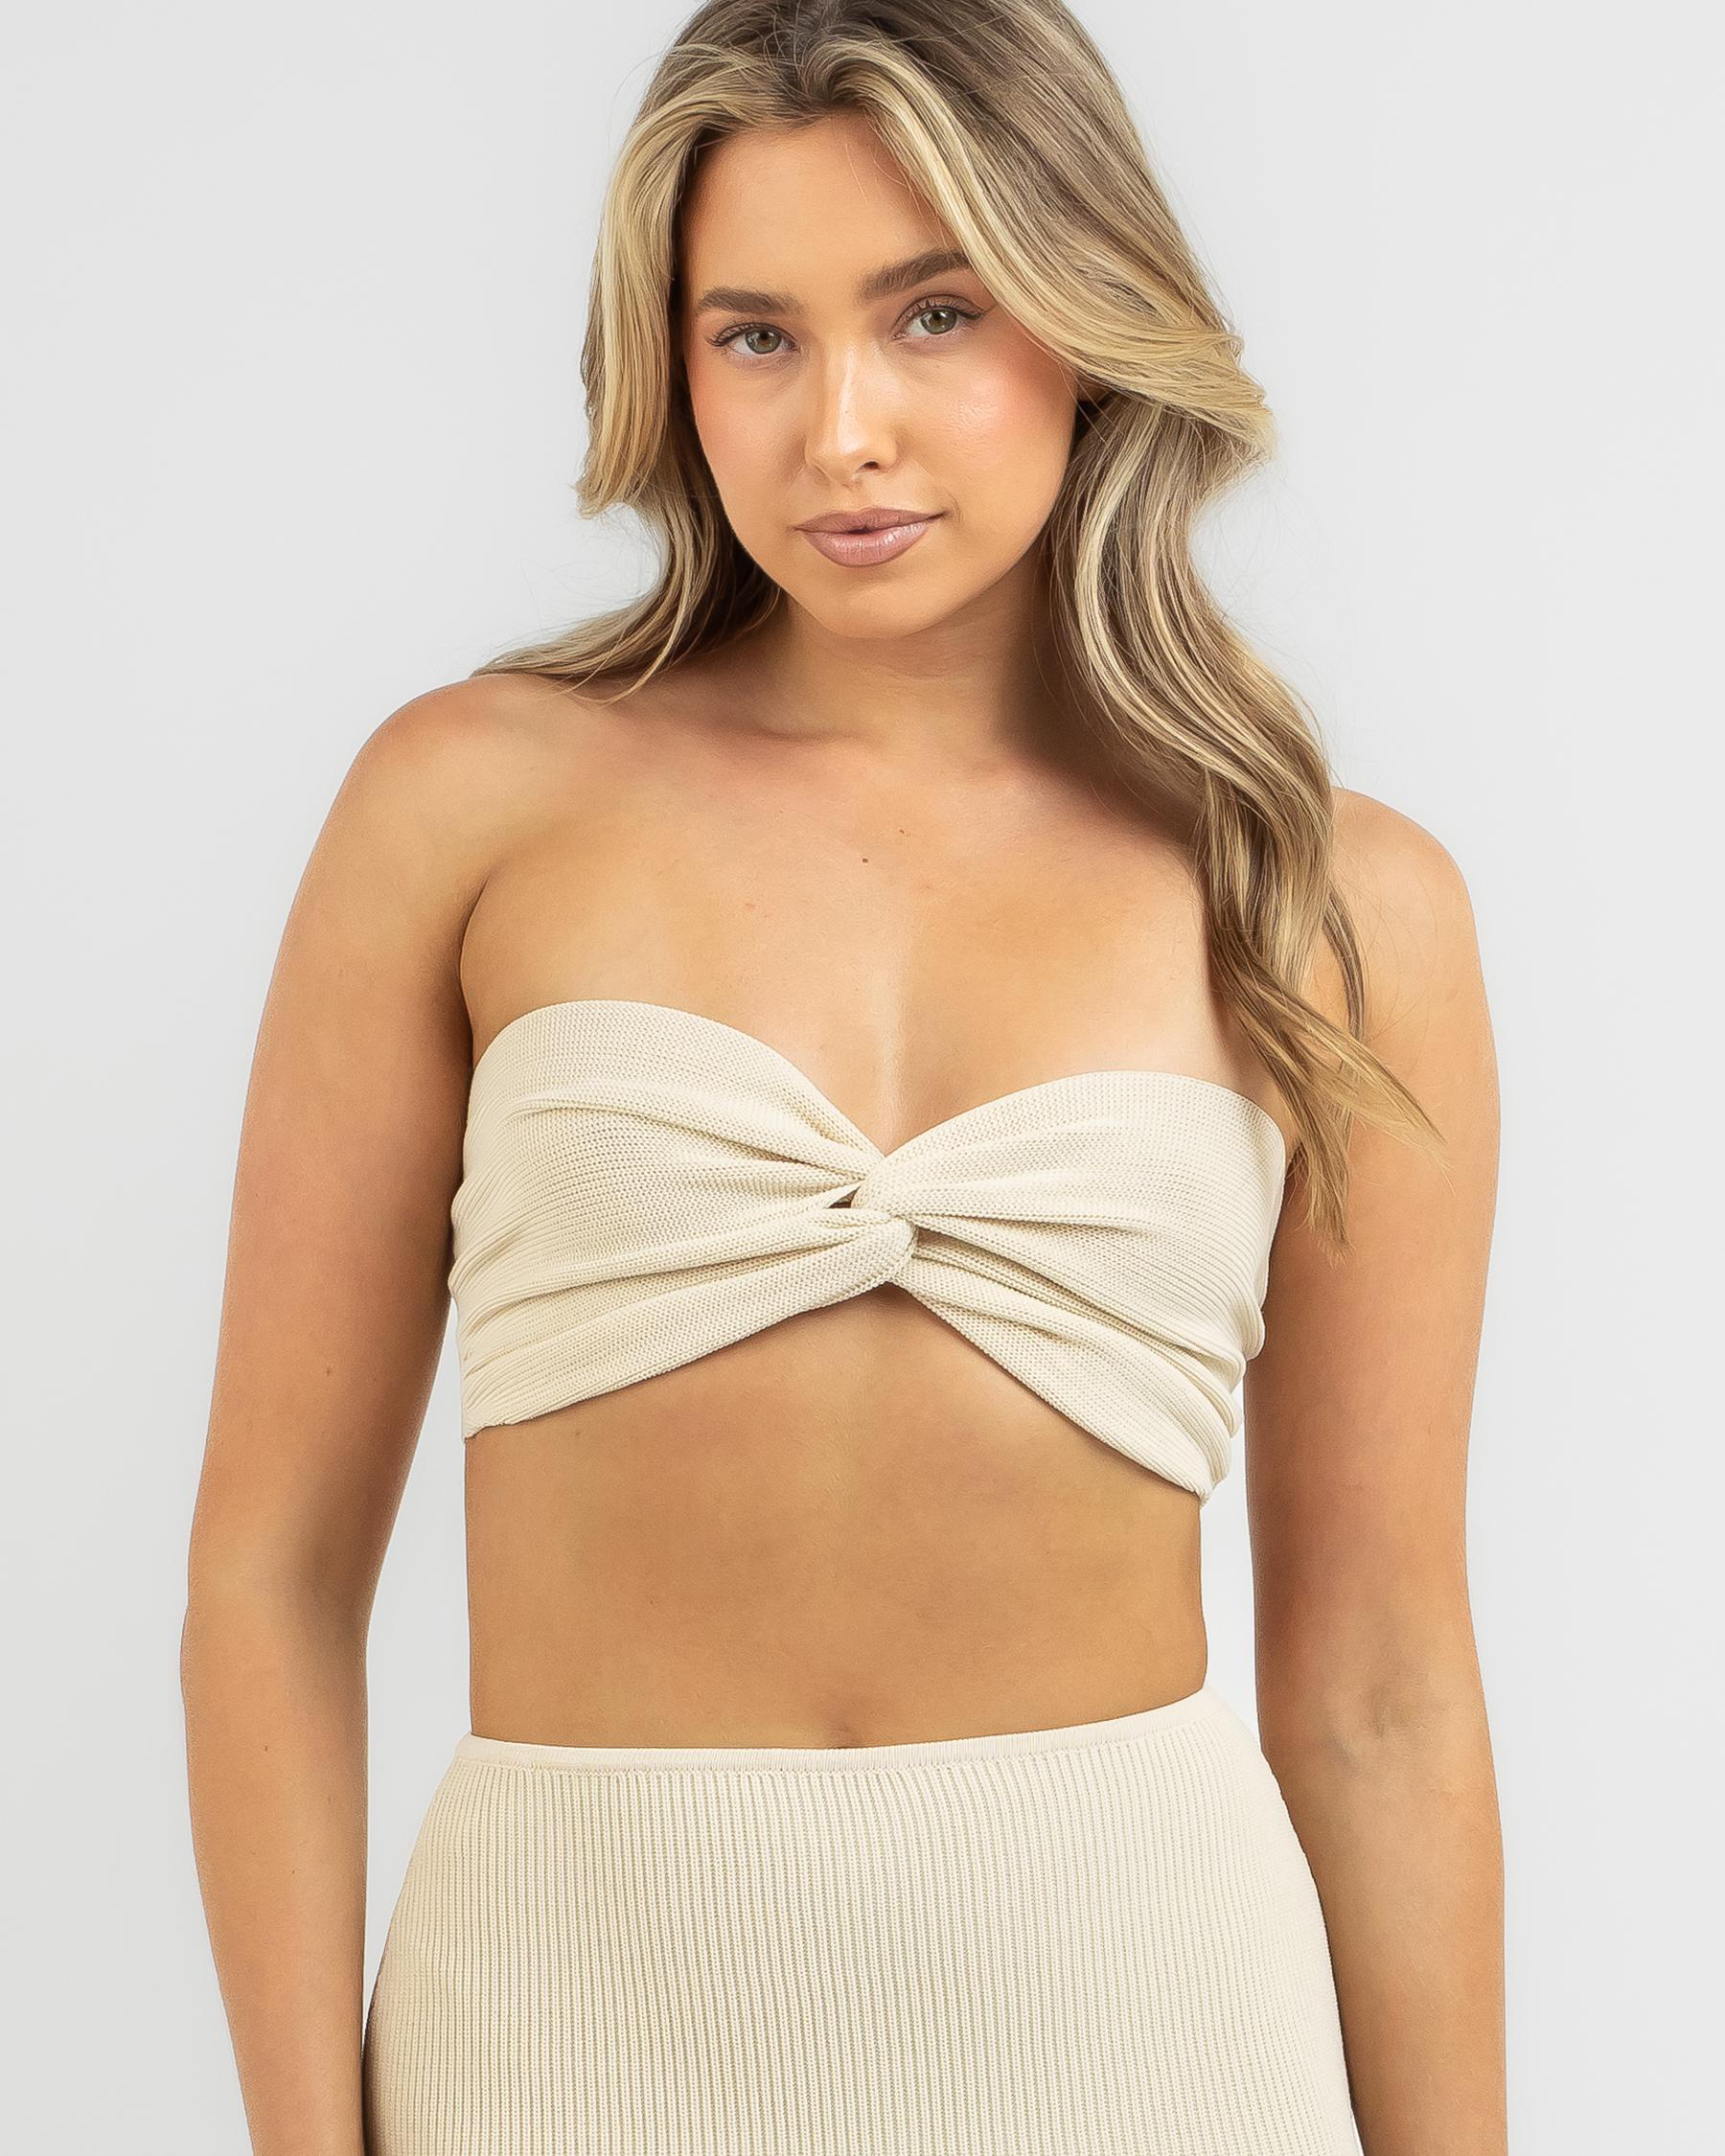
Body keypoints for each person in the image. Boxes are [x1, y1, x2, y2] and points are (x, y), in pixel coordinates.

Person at [180, 3, 1505, 2151]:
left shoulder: (1332, 902)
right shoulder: (471, 806)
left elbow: (1378, 1683)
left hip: (1148, 2021)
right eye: (756, 337)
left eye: (934, 313)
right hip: (567, 2013)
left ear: (1089, 314)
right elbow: (267, 1580)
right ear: (671, 365)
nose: (843, 433)